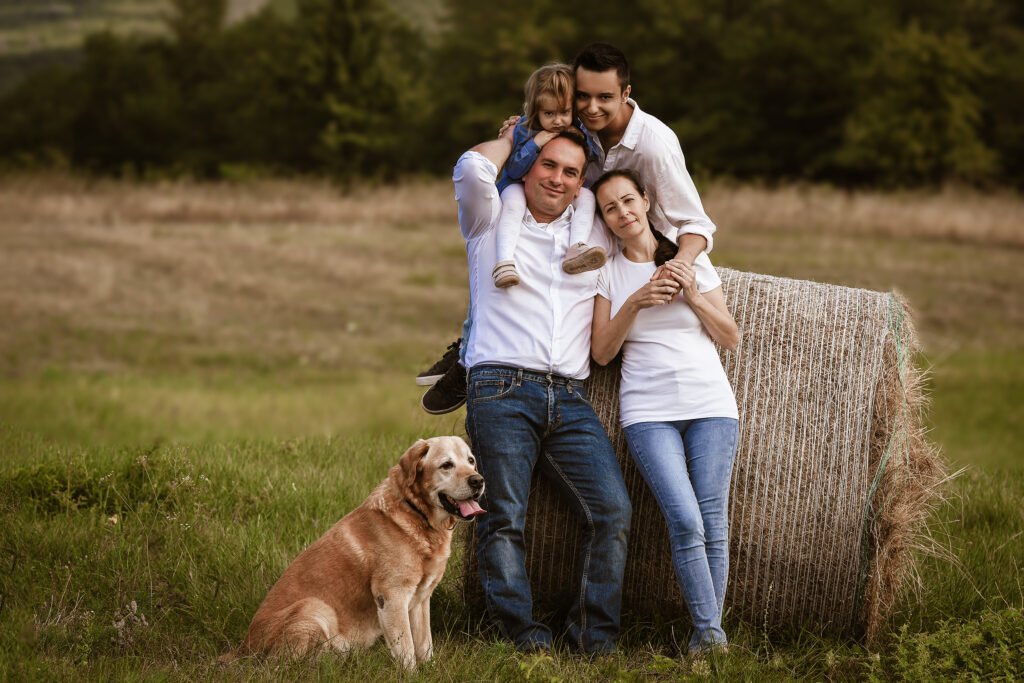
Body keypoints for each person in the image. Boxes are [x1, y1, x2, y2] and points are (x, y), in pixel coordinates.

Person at [419, 42, 718, 414]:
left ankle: (481, 360)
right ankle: (472, 355)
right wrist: (517, 132)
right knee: (495, 250)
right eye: (584, 97)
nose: (592, 108)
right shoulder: (578, 126)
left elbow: (694, 222)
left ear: (626, 93)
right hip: (585, 232)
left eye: (605, 98)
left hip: (636, 250)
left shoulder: (655, 147)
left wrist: (677, 265)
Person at [454, 125, 632, 654]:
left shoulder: (593, 234)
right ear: (529, 166)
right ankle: (524, 639)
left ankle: (593, 640)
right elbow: (470, 167)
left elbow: (643, 213)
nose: (557, 179)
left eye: (571, 172)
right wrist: (524, 134)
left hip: (571, 397)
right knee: (503, 517)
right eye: (548, 164)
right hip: (500, 387)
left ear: (582, 184)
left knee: (613, 511)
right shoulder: (488, 222)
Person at [589, 168, 739, 656]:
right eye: (611, 208)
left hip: (711, 405)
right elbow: (603, 353)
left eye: (628, 201)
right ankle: (712, 636)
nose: (623, 213)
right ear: (605, 220)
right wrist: (634, 302)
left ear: (647, 200)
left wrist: (692, 294)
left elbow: (730, 337)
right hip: (648, 412)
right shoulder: (609, 273)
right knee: (685, 520)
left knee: (712, 521)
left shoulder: (691, 260)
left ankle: (708, 637)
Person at [492, 62, 605, 288]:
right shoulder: (524, 129)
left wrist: (578, 136)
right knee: (514, 204)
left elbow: (590, 156)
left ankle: (577, 247)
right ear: (536, 110)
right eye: (549, 114)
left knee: (587, 197)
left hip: (551, 186)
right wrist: (536, 142)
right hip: (515, 183)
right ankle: (504, 261)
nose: (557, 121)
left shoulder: (575, 126)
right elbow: (513, 169)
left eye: (564, 113)